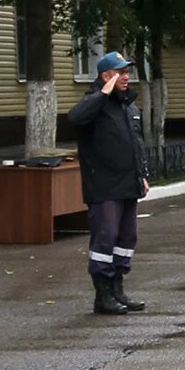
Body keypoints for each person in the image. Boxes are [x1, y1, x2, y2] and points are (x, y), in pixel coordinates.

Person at [69, 50, 152, 315]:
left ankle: (118, 289)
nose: (127, 77)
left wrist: (143, 173)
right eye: (121, 72)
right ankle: (102, 295)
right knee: (105, 239)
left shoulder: (128, 106)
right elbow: (75, 118)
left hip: (128, 182)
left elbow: (136, 144)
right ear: (106, 76)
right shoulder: (94, 104)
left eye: (127, 72)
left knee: (127, 238)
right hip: (104, 186)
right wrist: (102, 94)